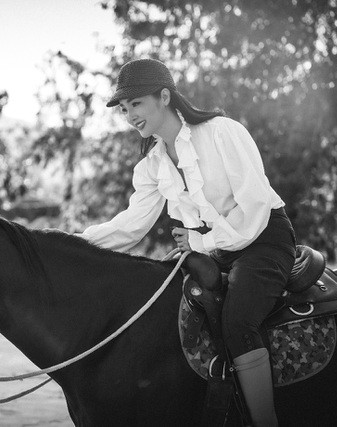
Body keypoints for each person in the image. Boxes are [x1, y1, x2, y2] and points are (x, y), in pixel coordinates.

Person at [76, 58, 296, 427]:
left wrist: (200, 242)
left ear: (164, 97)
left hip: (262, 239)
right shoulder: (152, 165)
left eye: (136, 103)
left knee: (238, 320)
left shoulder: (222, 132)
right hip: (211, 247)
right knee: (161, 307)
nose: (130, 116)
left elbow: (255, 207)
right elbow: (131, 226)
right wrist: (75, 245)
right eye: (124, 108)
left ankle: (264, 421)